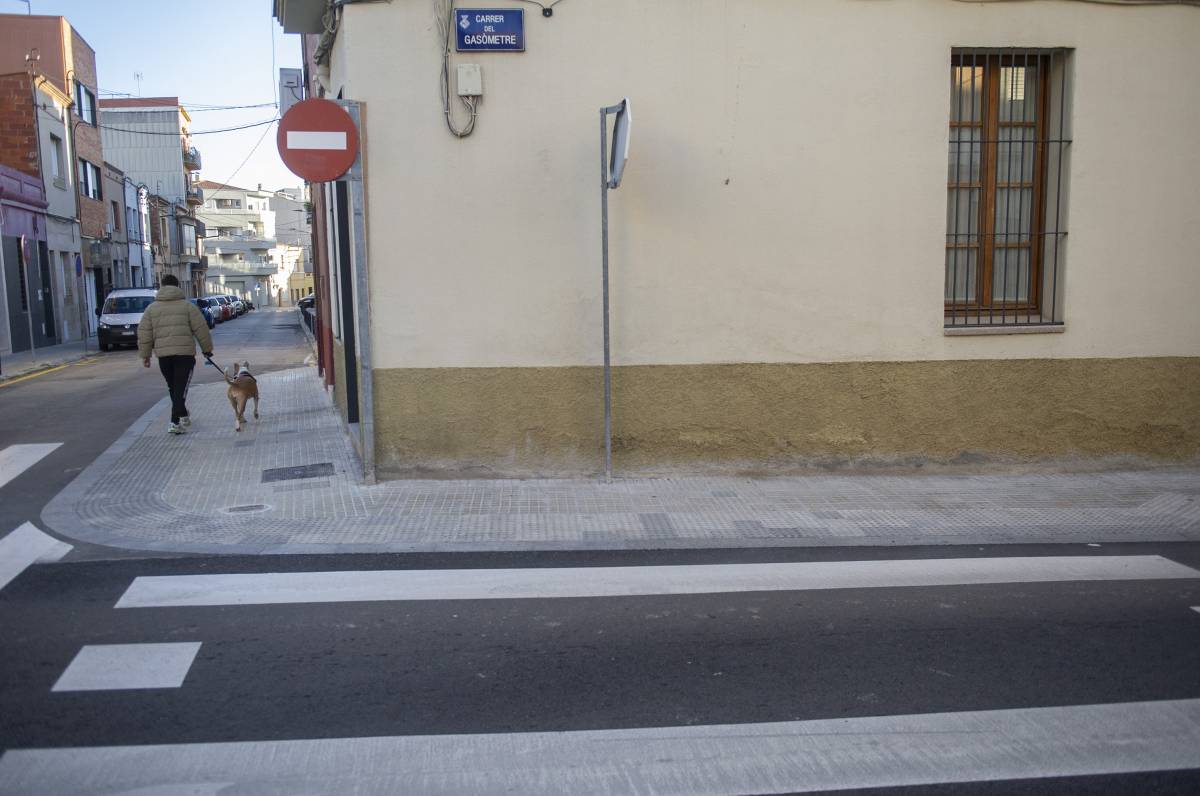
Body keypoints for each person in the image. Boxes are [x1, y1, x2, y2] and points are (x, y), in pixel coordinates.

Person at [137, 274, 214, 434]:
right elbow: (201, 329)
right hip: (185, 355)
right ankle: (177, 418)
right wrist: (206, 350)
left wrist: (146, 355)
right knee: (180, 387)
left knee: (173, 386)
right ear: (178, 286)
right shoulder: (188, 307)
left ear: (162, 287)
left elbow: (144, 333)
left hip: (164, 356)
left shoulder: (151, 309)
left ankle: (179, 418)